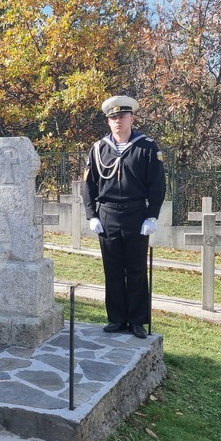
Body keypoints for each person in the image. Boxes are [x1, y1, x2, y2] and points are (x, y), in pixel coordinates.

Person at [82, 95, 165, 339]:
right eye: (113, 117)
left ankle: (137, 321)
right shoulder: (98, 148)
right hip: (107, 214)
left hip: (136, 214)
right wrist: (91, 214)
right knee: (113, 269)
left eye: (122, 116)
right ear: (108, 122)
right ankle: (117, 318)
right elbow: (89, 185)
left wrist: (152, 215)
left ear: (132, 118)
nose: (118, 121)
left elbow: (157, 184)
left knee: (136, 270)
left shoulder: (146, 147)